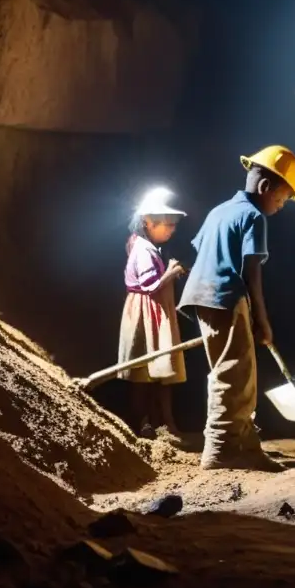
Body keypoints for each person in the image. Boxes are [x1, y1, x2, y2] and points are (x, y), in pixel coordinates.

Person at [178, 145, 295, 472]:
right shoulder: (253, 216)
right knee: (233, 373)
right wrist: (261, 319)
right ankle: (221, 448)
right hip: (225, 294)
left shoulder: (219, 211)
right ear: (266, 188)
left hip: (201, 294)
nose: (281, 206)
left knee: (237, 371)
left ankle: (245, 444)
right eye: (282, 199)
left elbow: (201, 251)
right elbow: (252, 273)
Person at [118, 187, 188, 440]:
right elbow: (150, 286)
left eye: (173, 224)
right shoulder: (143, 250)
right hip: (145, 314)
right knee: (143, 372)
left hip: (155, 313)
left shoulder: (146, 246)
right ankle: (145, 424)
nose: (172, 229)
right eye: (167, 224)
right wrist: (171, 272)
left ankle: (164, 423)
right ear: (148, 221)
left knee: (159, 370)